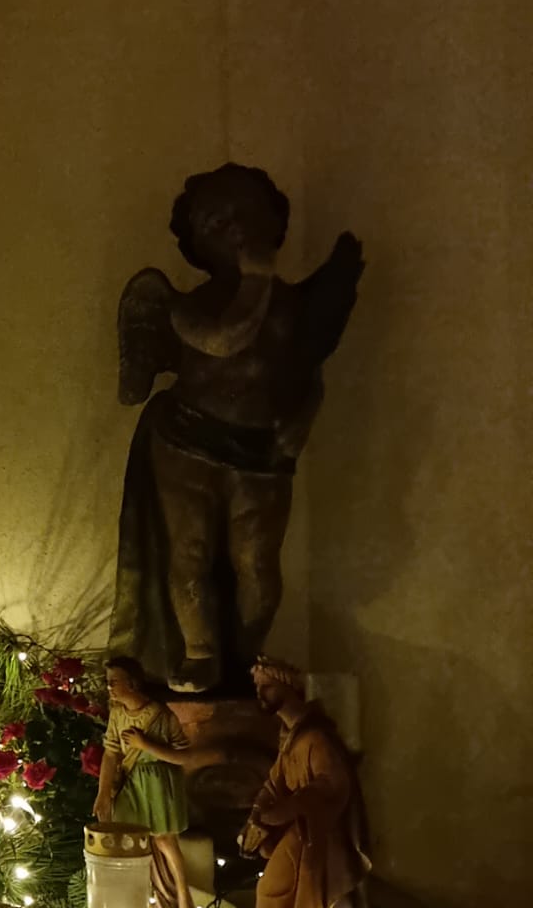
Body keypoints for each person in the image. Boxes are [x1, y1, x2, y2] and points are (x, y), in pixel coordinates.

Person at [110, 165, 362, 693]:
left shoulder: (294, 308)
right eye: (217, 221)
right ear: (195, 241)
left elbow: (309, 370)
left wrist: (302, 422)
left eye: (247, 214)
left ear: (275, 222)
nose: (236, 228)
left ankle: (247, 660)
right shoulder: (188, 306)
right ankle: (200, 653)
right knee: (190, 555)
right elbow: (224, 339)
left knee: (258, 564)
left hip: (262, 453)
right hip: (187, 443)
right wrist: (255, 282)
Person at [241, 659, 377, 908]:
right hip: (301, 831)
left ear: (289, 687)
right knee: (274, 890)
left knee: (293, 897)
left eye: (266, 686)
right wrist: (257, 815)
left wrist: (287, 809)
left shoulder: (316, 738)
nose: (260, 693)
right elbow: (275, 783)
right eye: (257, 687)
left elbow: (332, 784)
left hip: (320, 836)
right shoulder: (290, 738)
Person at [94, 658, 198, 908]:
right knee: (128, 839)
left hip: (158, 785)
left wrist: (146, 745)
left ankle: (183, 901)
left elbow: (184, 756)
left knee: (164, 841)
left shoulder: (161, 716)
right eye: (107, 682)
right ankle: (136, 902)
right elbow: (111, 753)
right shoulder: (118, 714)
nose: (109, 687)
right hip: (131, 785)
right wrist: (103, 792)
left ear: (132, 683)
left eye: (114, 682)